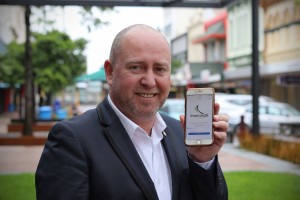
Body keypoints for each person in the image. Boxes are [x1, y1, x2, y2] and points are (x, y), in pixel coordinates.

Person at [35, 24, 229, 200]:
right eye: (136, 67)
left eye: (160, 69)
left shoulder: (181, 133)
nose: (150, 81)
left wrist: (203, 161)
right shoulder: (72, 139)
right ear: (110, 72)